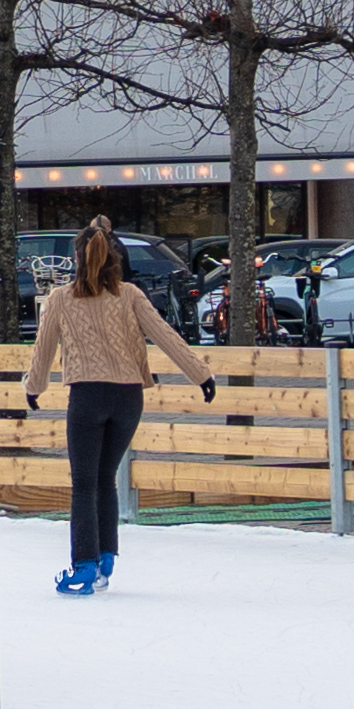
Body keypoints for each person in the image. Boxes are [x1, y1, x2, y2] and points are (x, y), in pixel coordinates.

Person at [16, 220, 210, 591]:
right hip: (127, 398)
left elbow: (43, 351)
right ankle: (106, 557)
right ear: (114, 259)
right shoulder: (131, 295)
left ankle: (84, 565)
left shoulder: (60, 298)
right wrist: (201, 375)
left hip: (88, 397)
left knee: (83, 484)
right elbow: (166, 336)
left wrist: (33, 388)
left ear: (77, 258)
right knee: (106, 479)